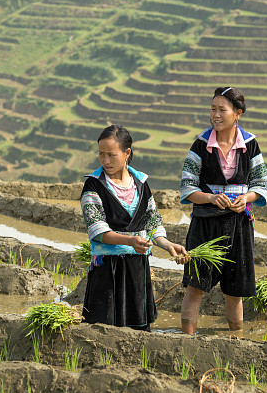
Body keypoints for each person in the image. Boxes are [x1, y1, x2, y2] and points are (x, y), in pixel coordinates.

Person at [179, 87, 267, 334]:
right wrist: (209, 197)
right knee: (196, 287)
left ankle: (236, 340)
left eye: (222, 110)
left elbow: (262, 184)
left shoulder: (250, 144)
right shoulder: (200, 145)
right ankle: (185, 341)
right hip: (206, 226)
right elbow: (187, 187)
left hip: (239, 225)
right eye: (213, 109)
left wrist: (246, 198)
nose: (216, 115)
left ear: (237, 113)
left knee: (235, 291)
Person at [80, 125, 190, 330]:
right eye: (101, 154)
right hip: (107, 270)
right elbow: (97, 230)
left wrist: (167, 245)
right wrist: (130, 240)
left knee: (138, 331)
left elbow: (153, 221)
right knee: (103, 330)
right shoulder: (94, 185)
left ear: (127, 153)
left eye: (111, 155)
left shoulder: (141, 183)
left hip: (137, 268)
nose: (105, 161)